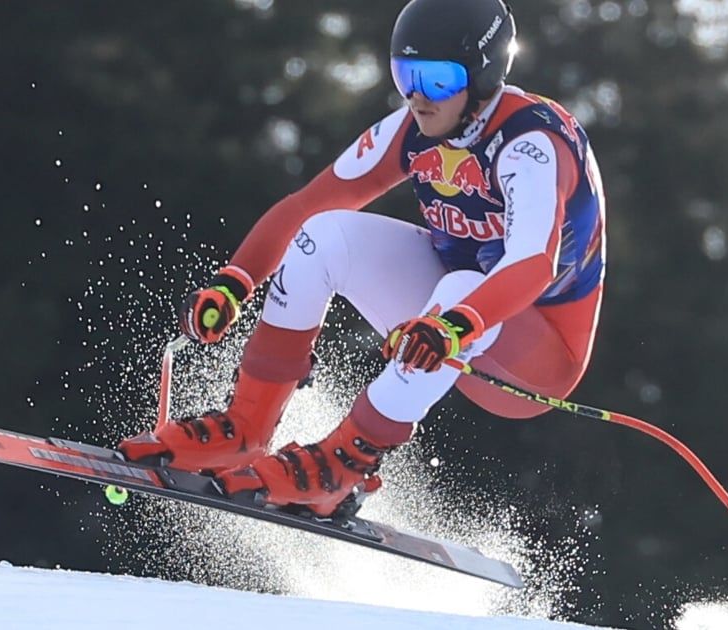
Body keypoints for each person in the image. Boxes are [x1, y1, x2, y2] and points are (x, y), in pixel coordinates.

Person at [120, 0, 606, 518]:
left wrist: (455, 325)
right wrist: (235, 282)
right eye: (405, 75)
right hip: (445, 323)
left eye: (437, 80)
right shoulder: (413, 131)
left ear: (484, 75)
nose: (418, 96)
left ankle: (339, 467)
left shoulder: (531, 144)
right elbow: (306, 205)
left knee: (462, 285)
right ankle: (246, 427)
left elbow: (533, 263)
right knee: (323, 235)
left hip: (534, 358)